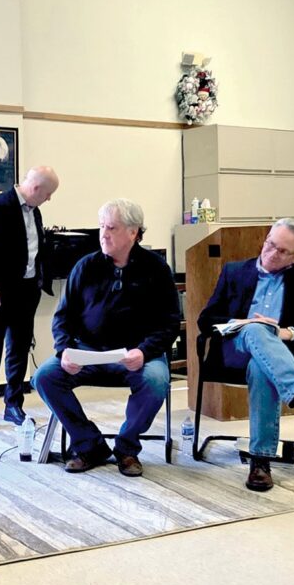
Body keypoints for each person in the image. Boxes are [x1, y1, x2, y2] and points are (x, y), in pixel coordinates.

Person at [32, 199, 179, 477]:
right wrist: (64, 350)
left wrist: (145, 351)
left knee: (156, 380)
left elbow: (169, 323)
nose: (103, 234)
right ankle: (89, 444)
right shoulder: (85, 266)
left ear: (133, 232)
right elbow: (63, 318)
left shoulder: (156, 268)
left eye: (111, 228)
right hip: (88, 352)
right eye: (101, 226)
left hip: (137, 354)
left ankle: (126, 448)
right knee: (45, 377)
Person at [198, 217, 294, 492]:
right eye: (270, 244)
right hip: (235, 346)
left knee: (261, 368)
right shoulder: (235, 271)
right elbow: (206, 319)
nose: (272, 253)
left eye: (282, 251)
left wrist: (287, 333)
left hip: (279, 353)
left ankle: (260, 461)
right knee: (256, 329)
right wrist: (241, 324)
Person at [0, 166, 60, 434]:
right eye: (48, 193)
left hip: (25, 291)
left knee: (19, 350)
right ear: (36, 188)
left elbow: (34, 248)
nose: (49, 199)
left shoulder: (35, 211)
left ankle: (13, 405)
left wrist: (40, 281)